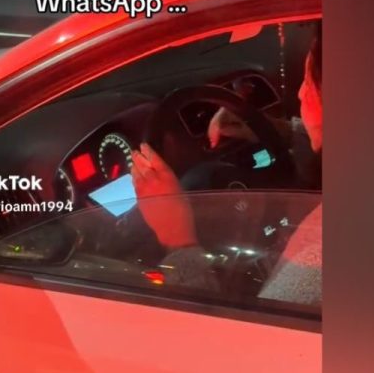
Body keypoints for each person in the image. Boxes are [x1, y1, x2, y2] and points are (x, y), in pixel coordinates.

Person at [130, 25, 323, 306]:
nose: (302, 93)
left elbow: (223, 333)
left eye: (311, 81)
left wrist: (178, 239)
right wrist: (280, 132)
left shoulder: (312, 269)